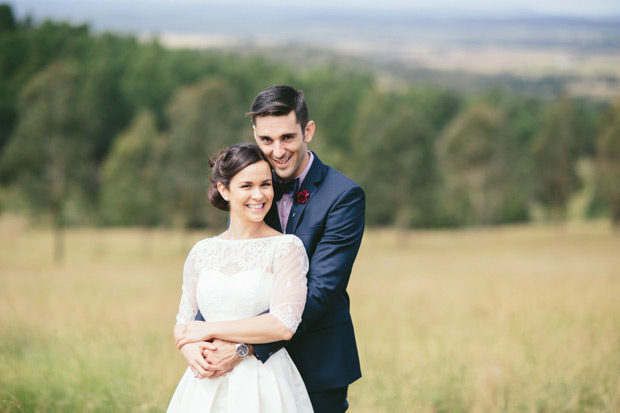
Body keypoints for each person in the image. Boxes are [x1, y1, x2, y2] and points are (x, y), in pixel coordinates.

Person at [183, 85, 365, 412]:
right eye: (266, 140)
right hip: (240, 374)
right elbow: (230, 268)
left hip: (316, 363)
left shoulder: (344, 196)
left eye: (287, 138)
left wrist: (243, 347)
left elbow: (321, 290)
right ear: (255, 135)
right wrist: (198, 341)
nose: (277, 151)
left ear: (308, 130)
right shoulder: (252, 188)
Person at [167, 143, 314, 412]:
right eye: (246, 186)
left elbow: (283, 325)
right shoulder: (202, 251)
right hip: (204, 382)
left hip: (264, 382)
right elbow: (184, 324)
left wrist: (210, 330)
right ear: (224, 190)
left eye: (265, 184)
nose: (258, 195)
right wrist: (189, 351)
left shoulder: (286, 247)